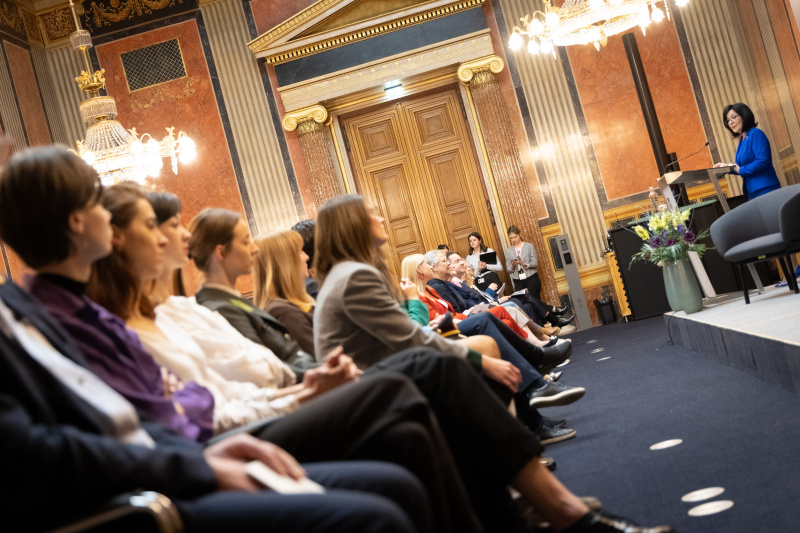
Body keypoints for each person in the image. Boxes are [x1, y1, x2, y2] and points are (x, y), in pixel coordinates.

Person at [0, 146, 433, 533]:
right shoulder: (56, 317)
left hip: (186, 453)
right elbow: (146, 419)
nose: (172, 237)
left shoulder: (78, 313)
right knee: (395, 417)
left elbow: (162, 411)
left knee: (400, 460)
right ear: (78, 221)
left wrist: (295, 392)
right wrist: (203, 459)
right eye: (153, 225)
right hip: (157, 486)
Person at [714, 103, 781, 200]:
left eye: (733, 117)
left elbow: (763, 161)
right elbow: (741, 168)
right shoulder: (742, 140)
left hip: (765, 188)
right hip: (752, 191)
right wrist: (726, 167)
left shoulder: (756, 133)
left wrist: (739, 169)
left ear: (744, 115)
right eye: (728, 120)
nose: (730, 122)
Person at [506, 225, 542, 300]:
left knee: (535, 300)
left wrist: (524, 264)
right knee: (522, 302)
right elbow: (508, 270)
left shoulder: (529, 246)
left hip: (531, 277)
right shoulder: (508, 251)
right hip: (518, 280)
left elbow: (535, 263)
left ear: (519, 234)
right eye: (511, 238)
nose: (514, 239)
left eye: (515, 237)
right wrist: (512, 265)